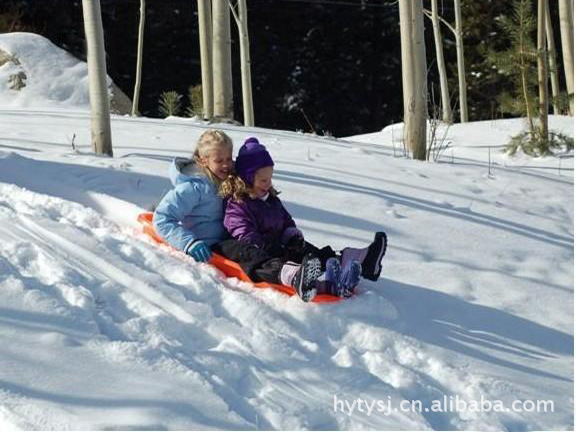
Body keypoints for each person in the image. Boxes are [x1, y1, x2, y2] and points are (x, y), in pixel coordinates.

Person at [218, 137, 387, 302]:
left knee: (310, 252)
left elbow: (286, 221)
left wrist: (292, 237)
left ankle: (359, 260)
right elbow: (242, 231)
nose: (268, 183)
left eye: (270, 178)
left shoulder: (271, 200)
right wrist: (266, 245)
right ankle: (296, 276)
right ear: (247, 178)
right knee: (264, 263)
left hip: (280, 246)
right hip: (259, 251)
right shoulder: (238, 203)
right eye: (263, 180)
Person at [153, 129, 233, 262]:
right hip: (207, 246)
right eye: (219, 161)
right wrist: (189, 243)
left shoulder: (230, 180)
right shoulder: (193, 187)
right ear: (203, 161)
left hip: (230, 240)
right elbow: (162, 218)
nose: (226, 165)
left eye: (229, 159)